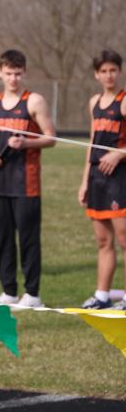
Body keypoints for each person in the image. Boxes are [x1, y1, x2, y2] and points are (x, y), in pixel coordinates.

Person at [0, 49, 56, 307]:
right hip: (0, 181)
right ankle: (8, 290)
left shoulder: (34, 101)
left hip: (26, 181)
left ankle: (33, 294)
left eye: (17, 73)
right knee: (2, 237)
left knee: (28, 238)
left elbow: (51, 137)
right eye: (8, 74)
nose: (13, 79)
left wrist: (25, 143)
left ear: (24, 72)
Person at [78, 50, 126, 309]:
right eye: (104, 71)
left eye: (113, 70)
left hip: (120, 178)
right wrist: (85, 180)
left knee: (124, 239)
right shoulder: (94, 102)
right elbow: (92, 142)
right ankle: (102, 295)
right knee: (103, 241)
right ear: (96, 74)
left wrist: (118, 155)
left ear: (119, 72)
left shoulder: (124, 101)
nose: (109, 75)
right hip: (97, 178)